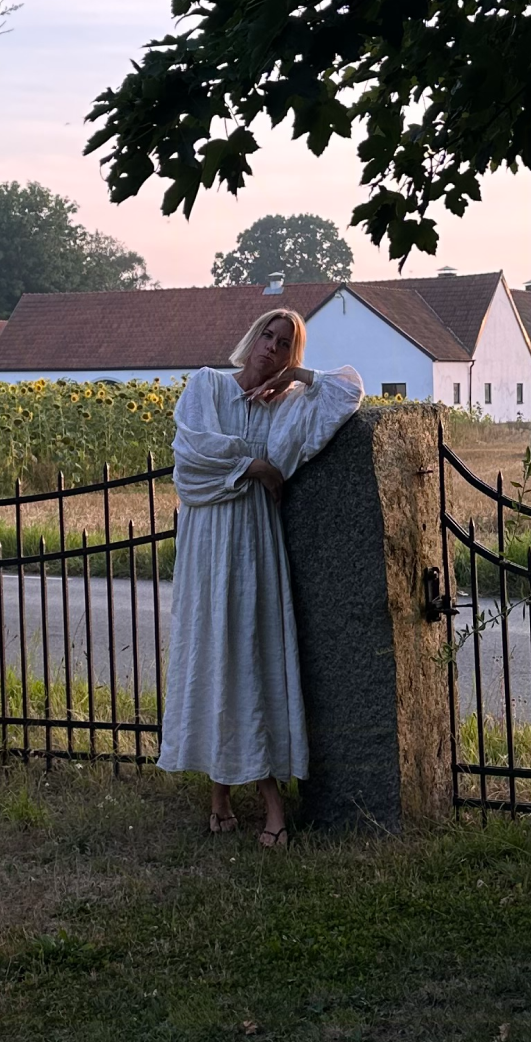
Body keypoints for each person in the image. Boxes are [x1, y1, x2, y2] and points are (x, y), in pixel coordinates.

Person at [161, 308, 363, 848]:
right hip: (208, 543)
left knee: (251, 656)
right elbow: (191, 454)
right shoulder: (205, 386)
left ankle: (271, 801)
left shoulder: (287, 410)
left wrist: (299, 378)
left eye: (284, 345)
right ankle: (220, 795)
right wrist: (256, 467)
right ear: (252, 337)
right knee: (211, 653)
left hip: (254, 543)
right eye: (267, 336)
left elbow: (348, 392)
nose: (270, 348)